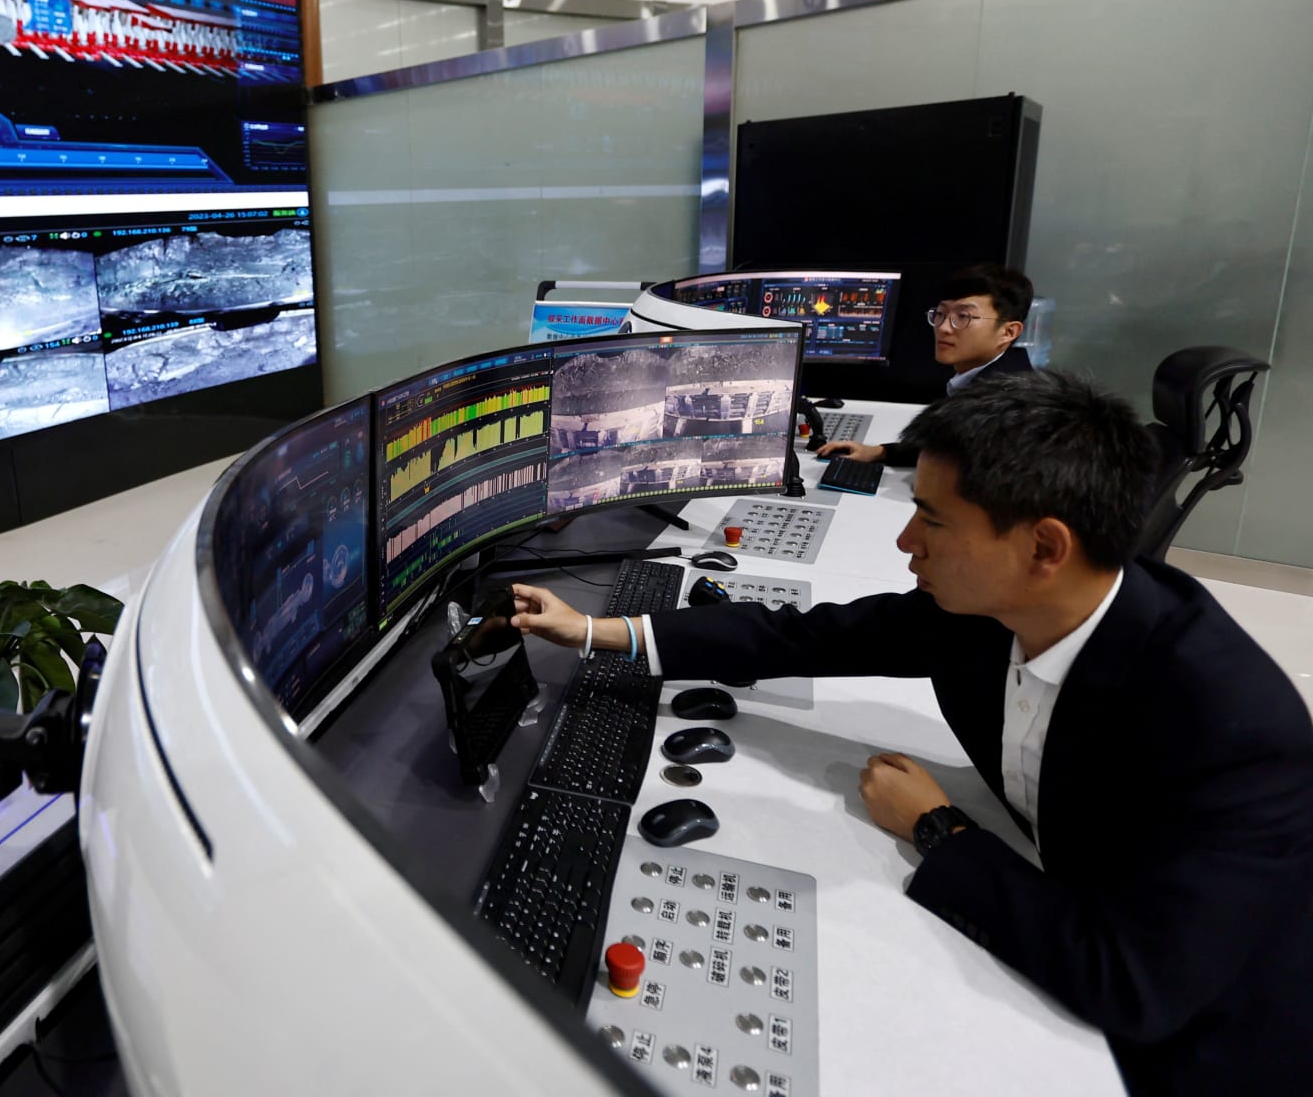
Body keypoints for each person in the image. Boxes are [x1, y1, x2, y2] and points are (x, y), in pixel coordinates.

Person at [510, 371, 1313, 1097]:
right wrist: (600, 632)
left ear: (1043, 547)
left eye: (931, 519)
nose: (905, 542)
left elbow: (1134, 983)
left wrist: (939, 827)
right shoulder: (989, 611)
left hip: (1187, 1050)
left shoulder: (1232, 728)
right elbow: (806, 638)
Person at [819, 262, 1034, 465]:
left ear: (1008, 332)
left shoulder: (1006, 406)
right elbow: (950, 447)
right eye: (941, 314)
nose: (944, 328)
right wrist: (881, 452)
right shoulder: (997, 378)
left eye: (963, 317)